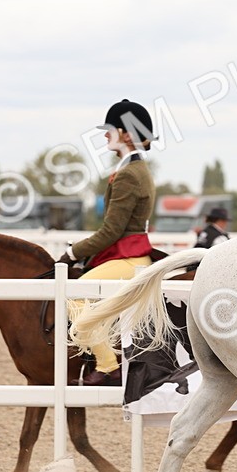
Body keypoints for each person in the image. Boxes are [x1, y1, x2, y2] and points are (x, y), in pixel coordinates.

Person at [59, 99, 157, 386]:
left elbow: (111, 231)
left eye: (110, 130)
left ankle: (107, 364)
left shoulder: (129, 175)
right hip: (126, 253)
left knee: (75, 293)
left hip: (129, 257)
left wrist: (72, 252)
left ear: (126, 135)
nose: (105, 135)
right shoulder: (132, 170)